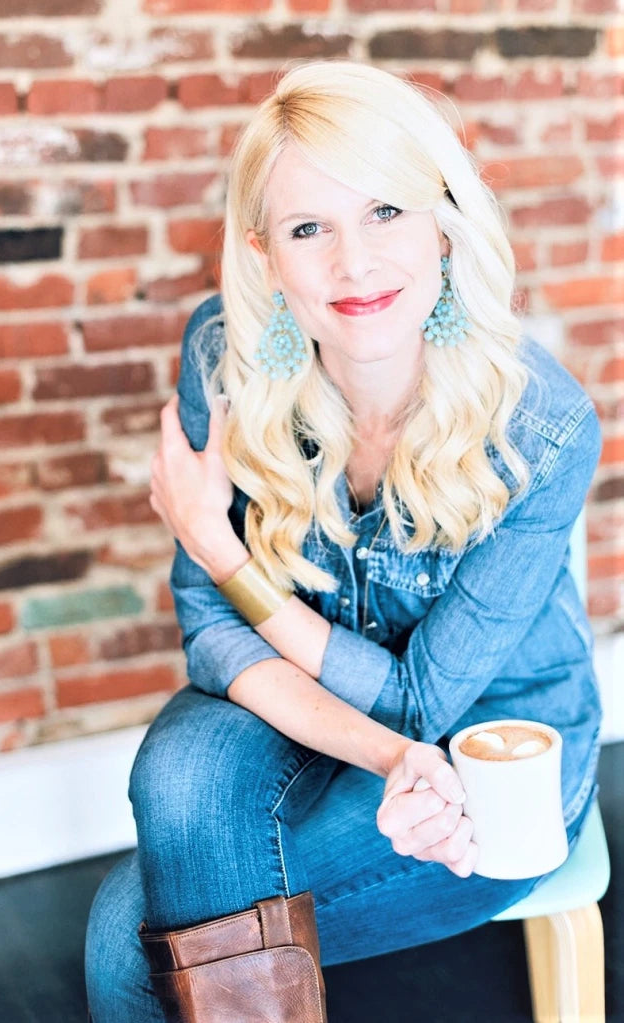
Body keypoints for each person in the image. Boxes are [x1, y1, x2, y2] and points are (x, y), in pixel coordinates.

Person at [84, 60, 602, 1022]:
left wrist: (219, 546)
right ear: (264, 252)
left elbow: (421, 701)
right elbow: (212, 634)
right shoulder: (223, 357)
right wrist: (380, 751)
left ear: (445, 223)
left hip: (489, 753)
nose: (352, 265)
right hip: (309, 709)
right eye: (308, 227)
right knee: (179, 769)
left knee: (127, 939)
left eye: (386, 213)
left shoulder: (544, 428)